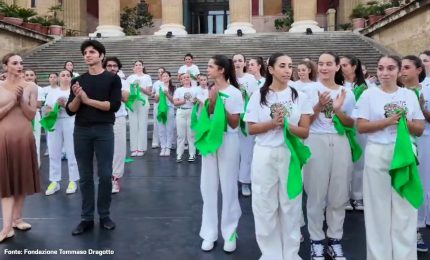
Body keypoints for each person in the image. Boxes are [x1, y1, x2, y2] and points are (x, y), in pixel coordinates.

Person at [244, 53, 313, 260]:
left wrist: (285, 125)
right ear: (271, 69)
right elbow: (251, 129)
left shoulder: (299, 96)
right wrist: (272, 124)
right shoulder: (259, 95)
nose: (287, 70)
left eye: (290, 66)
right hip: (265, 154)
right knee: (265, 205)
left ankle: (291, 254)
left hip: (289, 154)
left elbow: (304, 131)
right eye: (282, 66)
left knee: (291, 205)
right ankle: (270, 253)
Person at [355, 55, 424, 260]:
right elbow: (362, 126)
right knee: (378, 210)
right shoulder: (369, 95)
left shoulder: (409, 95)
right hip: (378, 152)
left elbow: (419, 128)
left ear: (399, 70)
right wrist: (387, 122)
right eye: (381, 68)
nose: (385, 73)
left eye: (390, 68)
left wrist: (403, 122)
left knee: (405, 209)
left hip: (403, 153)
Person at [66, 40, 122, 235]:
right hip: (81, 131)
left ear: (101, 56)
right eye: (85, 52)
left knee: (105, 175)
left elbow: (113, 105)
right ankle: (86, 218)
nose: (87, 55)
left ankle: (104, 215)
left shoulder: (112, 79)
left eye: (91, 52)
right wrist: (77, 98)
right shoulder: (77, 81)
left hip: (104, 129)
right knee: (85, 176)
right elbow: (70, 110)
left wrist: (88, 100)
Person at [303, 52, 356, 260]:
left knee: (339, 193)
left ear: (337, 67)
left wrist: (337, 110)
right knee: (315, 193)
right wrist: (318, 106)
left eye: (329, 64)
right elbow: (304, 121)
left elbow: (351, 123)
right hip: (316, 140)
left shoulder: (346, 92)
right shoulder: (308, 90)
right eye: (321, 64)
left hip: (340, 140)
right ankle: (316, 240)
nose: (324, 68)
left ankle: (335, 239)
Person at [199, 55, 244, 253]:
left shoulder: (234, 92)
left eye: (210, 66)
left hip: (228, 140)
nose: (207, 69)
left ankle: (230, 232)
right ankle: (209, 233)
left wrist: (220, 104)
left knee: (228, 187)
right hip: (210, 140)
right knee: (207, 187)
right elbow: (208, 115)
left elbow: (235, 122)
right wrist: (209, 102)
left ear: (222, 70)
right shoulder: (211, 89)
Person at [0, 53, 40, 242]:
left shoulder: (31, 87)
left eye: (21, 63)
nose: (19, 66)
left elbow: (31, 115)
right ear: (5, 66)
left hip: (24, 137)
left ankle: (17, 219)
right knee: (6, 183)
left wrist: (22, 101)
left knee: (21, 180)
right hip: (4, 139)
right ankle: (6, 227)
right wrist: (12, 103)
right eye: (15, 63)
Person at [400, 55, 429, 252]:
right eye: (400, 67)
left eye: (407, 67)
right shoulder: (396, 91)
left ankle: (417, 226)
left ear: (419, 70)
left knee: (420, 181)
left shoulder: (427, 89)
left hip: (424, 138)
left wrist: (421, 108)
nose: (402, 71)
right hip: (399, 142)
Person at [44, 70, 79, 196]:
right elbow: (47, 110)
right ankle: (54, 181)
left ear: (71, 78)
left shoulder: (73, 92)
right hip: (55, 122)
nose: (65, 78)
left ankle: (73, 180)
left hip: (70, 121)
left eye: (68, 75)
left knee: (72, 151)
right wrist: (55, 106)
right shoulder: (53, 92)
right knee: (54, 151)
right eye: (63, 75)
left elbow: (77, 108)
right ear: (58, 78)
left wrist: (64, 104)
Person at [340, 55, 368, 211]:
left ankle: (357, 196)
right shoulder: (338, 84)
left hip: (358, 128)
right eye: (341, 64)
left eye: (345, 64)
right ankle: (342, 196)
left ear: (354, 66)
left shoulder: (366, 86)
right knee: (342, 164)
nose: (342, 67)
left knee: (359, 162)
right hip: (342, 127)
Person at [233, 53, 259, 197]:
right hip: (232, 121)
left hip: (246, 121)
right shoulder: (229, 79)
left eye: (240, 61)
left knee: (247, 153)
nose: (237, 63)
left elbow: (256, 98)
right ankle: (232, 181)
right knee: (232, 153)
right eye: (235, 61)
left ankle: (245, 182)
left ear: (244, 63)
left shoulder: (250, 79)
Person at [103, 57, 129, 194]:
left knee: (118, 150)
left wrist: (113, 86)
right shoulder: (99, 80)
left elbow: (125, 97)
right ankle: (105, 178)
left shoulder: (123, 82)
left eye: (115, 66)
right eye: (109, 65)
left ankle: (115, 178)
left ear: (118, 68)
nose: (112, 68)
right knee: (103, 150)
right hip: (102, 119)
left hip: (118, 118)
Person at [126, 60, 152, 157]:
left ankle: (141, 148)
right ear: (134, 67)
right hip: (133, 102)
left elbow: (149, 92)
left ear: (142, 66)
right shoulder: (130, 78)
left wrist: (140, 88)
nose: (138, 66)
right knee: (133, 125)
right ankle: (134, 148)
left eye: (140, 65)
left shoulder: (147, 77)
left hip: (143, 101)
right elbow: (126, 91)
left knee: (142, 124)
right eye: (136, 65)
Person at [173, 73, 200, 162]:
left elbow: (198, 101)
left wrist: (194, 101)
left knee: (191, 134)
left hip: (191, 111)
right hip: (181, 111)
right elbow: (175, 102)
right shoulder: (179, 90)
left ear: (190, 78)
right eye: (184, 78)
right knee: (180, 135)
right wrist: (184, 100)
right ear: (181, 80)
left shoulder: (195, 89)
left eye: (188, 77)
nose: (186, 79)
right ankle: (179, 154)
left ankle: (192, 154)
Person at [24, 69, 44, 167]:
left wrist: (22, 103)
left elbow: (38, 104)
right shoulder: (20, 88)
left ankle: (36, 165)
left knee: (35, 141)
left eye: (31, 75)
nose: (29, 77)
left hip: (34, 116)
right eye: (27, 75)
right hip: (21, 117)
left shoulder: (39, 89)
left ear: (35, 76)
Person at [155, 71, 175, 157]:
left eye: (167, 76)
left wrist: (167, 94)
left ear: (169, 77)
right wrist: (158, 95)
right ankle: (163, 147)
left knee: (169, 129)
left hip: (169, 108)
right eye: (163, 76)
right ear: (161, 78)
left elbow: (173, 101)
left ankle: (168, 147)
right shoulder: (158, 87)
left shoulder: (173, 88)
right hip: (160, 109)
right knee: (161, 129)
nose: (165, 77)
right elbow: (156, 100)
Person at [151, 67, 165, 149]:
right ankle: (155, 142)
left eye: (162, 72)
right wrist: (154, 95)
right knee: (156, 122)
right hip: (157, 104)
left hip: (165, 104)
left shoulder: (167, 83)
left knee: (164, 122)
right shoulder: (156, 83)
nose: (160, 73)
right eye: (158, 72)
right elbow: (152, 93)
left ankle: (165, 141)